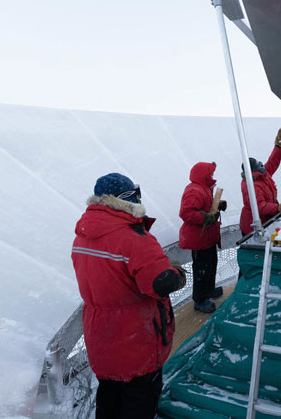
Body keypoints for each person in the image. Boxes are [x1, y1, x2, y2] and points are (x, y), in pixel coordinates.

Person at [72, 173, 186, 419]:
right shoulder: (134, 238)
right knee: (139, 402)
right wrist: (176, 272)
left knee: (109, 397)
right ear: (127, 200)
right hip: (136, 341)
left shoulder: (82, 235)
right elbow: (159, 284)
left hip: (100, 337)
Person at [179, 162, 226, 314]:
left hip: (207, 237)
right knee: (201, 270)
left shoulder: (203, 188)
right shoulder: (195, 190)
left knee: (211, 264)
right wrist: (206, 217)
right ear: (204, 175)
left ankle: (209, 290)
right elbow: (186, 213)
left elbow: (205, 207)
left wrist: (217, 205)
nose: (213, 177)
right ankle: (199, 300)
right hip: (199, 239)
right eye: (211, 174)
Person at [239, 127, 281, 236]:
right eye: (259, 164)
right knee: (255, 249)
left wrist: (278, 147)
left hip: (265, 220)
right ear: (254, 170)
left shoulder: (261, 175)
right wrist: (280, 207)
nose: (261, 164)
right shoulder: (252, 185)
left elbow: (272, 163)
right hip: (252, 226)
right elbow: (260, 207)